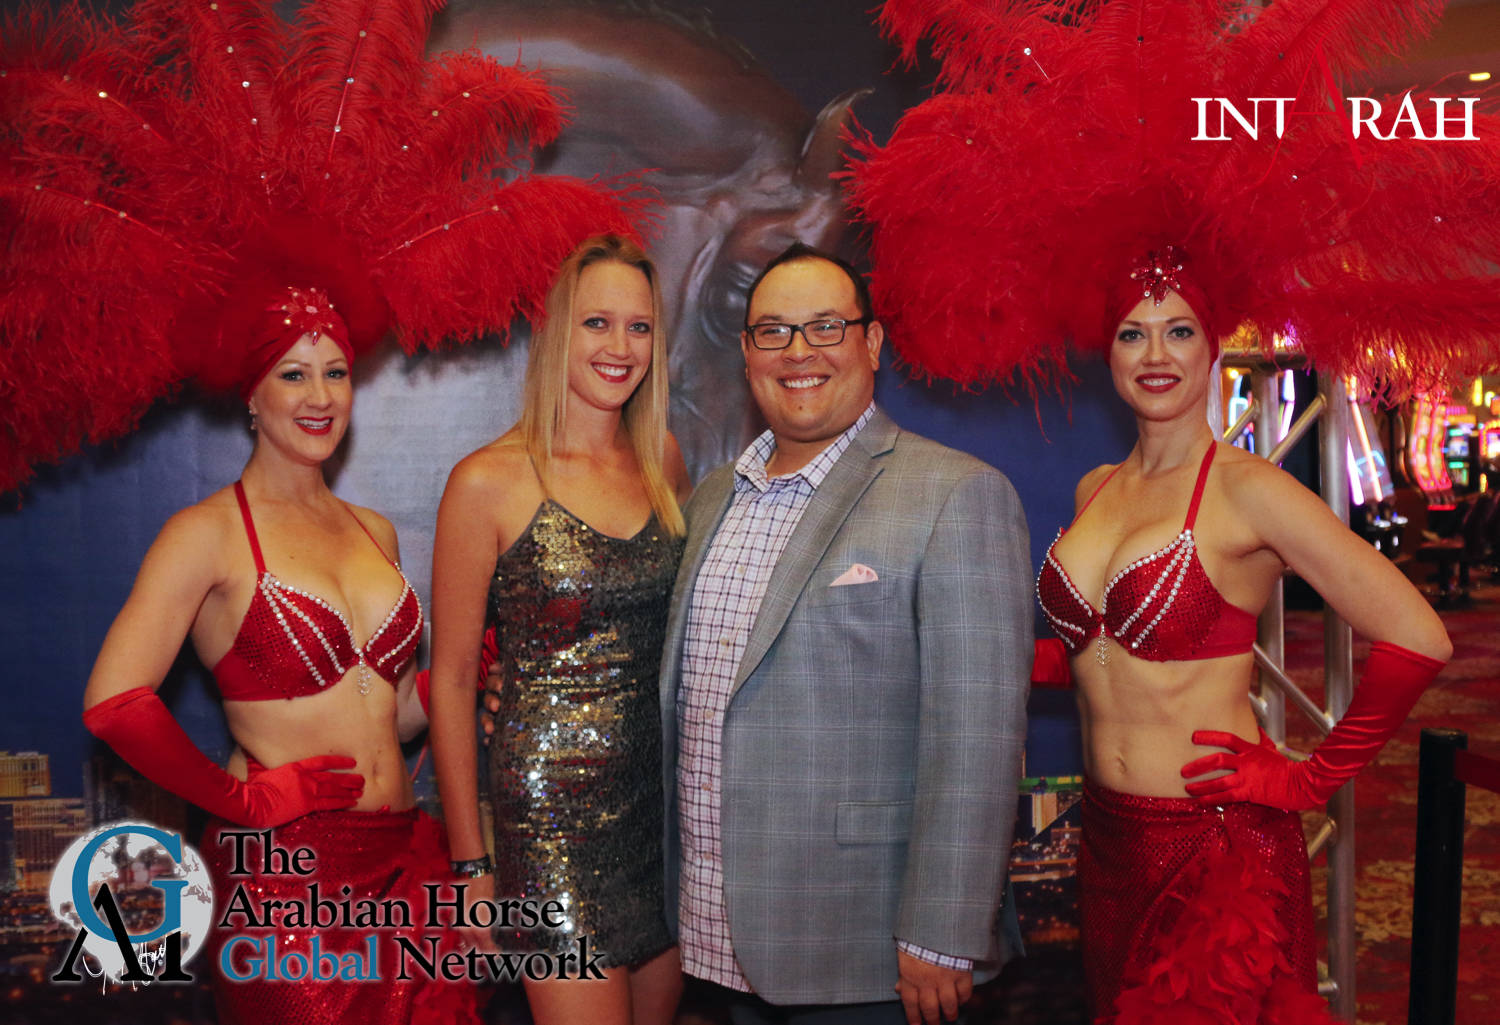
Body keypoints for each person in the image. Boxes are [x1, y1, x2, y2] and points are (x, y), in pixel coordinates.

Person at [1034, 259, 1451, 1022]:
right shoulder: (1096, 487)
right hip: (1109, 842)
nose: (1155, 354)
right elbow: (1103, 653)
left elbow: (1418, 634)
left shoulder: (1248, 488)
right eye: (1132, 334)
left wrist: (1310, 781)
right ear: (1109, 351)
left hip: (1214, 852)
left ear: (1213, 345)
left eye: (1179, 331)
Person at [659, 244, 1032, 1025]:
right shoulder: (712, 497)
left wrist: (943, 931)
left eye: (826, 326)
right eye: (774, 331)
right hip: (717, 935)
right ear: (747, 353)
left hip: (870, 949)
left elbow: (978, 734)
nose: (799, 352)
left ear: (873, 342)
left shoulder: (956, 493)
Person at [81, 290, 477, 1025]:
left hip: (400, 866)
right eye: (294, 375)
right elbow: (114, 704)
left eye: (336, 373)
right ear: (252, 395)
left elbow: (387, 713)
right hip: (284, 884)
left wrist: (461, 678)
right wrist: (242, 803)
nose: (320, 397)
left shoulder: (376, 532)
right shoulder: (205, 533)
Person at [428, 234, 691, 1025]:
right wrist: (471, 866)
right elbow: (451, 681)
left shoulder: (664, 460)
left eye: (639, 327)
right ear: (556, 333)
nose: (620, 347)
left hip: (661, 813)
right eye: (596, 323)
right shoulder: (486, 481)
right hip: (550, 824)